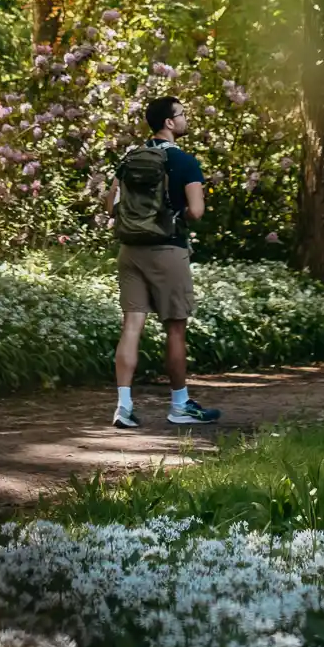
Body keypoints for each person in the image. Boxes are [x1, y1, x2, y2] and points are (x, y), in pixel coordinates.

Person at [108, 94, 222, 431]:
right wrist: (179, 216)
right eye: (182, 114)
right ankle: (179, 404)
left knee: (131, 327)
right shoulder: (184, 162)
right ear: (169, 123)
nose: (186, 119)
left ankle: (124, 406)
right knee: (175, 328)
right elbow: (197, 211)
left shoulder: (130, 158)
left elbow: (109, 206)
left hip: (130, 251)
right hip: (168, 250)